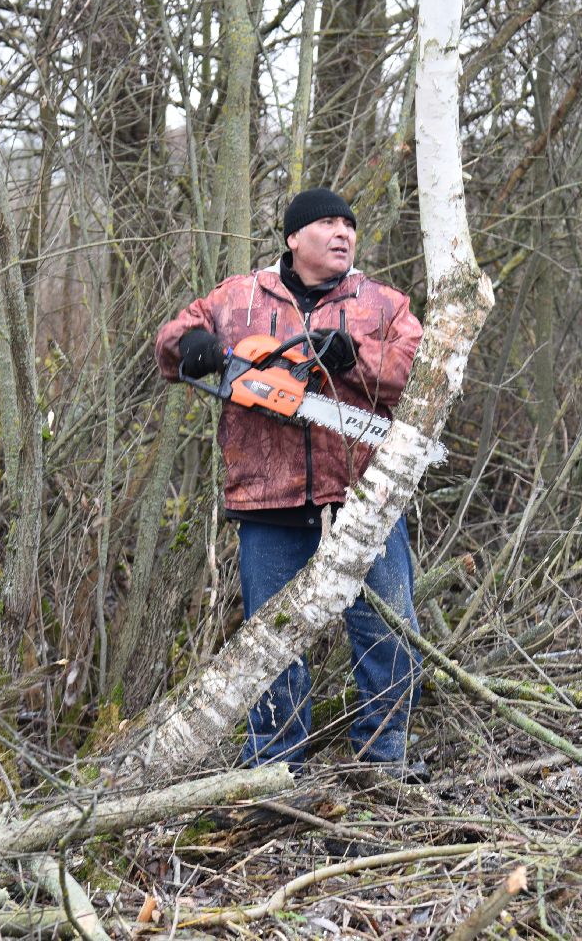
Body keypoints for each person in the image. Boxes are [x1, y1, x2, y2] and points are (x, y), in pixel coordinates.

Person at [154, 188, 424, 771]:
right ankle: (276, 767)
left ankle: (385, 757)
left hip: (364, 494)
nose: (341, 234)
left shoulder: (382, 304)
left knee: (389, 627)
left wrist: (357, 357)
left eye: (348, 226)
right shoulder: (239, 298)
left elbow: (420, 374)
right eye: (327, 224)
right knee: (271, 644)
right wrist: (195, 347)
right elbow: (169, 342)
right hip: (266, 496)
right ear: (293, 237)